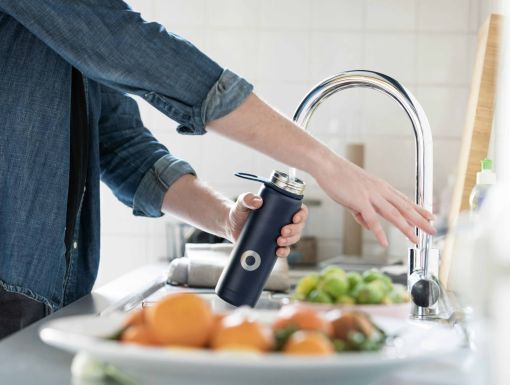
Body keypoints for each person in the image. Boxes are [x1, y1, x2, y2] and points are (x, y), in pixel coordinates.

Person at [0, 1, 435, 339]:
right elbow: (139, 51)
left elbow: (120, 145)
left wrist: (227, 218)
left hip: (41, 302)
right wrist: (326, 164)